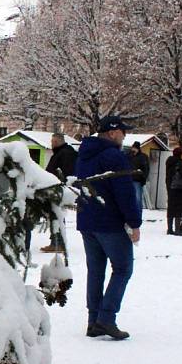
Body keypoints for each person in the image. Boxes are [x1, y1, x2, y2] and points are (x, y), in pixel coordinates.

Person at [75, 115, 141, 340]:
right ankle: (107, 318)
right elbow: (124, 192)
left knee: (95, 271)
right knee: (123, 269)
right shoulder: (115, 156)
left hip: (86, 220)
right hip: (109, 222)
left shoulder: (84, 154)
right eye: (123, 132)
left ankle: (93, 321)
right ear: (113, 132)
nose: (125, 136)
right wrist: (134, 223)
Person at [41, 133, 77, 252]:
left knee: (57, 215)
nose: (52, 144)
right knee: (54, 214)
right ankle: (56, 242)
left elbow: (66, 172)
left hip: (58, 189)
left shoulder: (66, 153)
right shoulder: (60, 153)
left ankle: (58, 243)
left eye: (53, 142)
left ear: (58, 142)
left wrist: (60, 184)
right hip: (53, 187)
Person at [165, 147, 182, 237]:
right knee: (178, 209)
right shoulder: (179, 163)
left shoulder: (169, 162)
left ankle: (169, 229)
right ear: (180, 154)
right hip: (179, 189)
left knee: (171, 208)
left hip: (170, 188)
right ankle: (177, 230)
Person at [127, 141, 149, 214]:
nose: (134, 149)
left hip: (137, 180)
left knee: (138, 199)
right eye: (133, 147)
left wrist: (144, 178)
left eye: (135, 148)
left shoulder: (143, 157)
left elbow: (146, 168)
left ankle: (138, 214)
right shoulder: (128, 155)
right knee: (129, 198)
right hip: (128, 180)